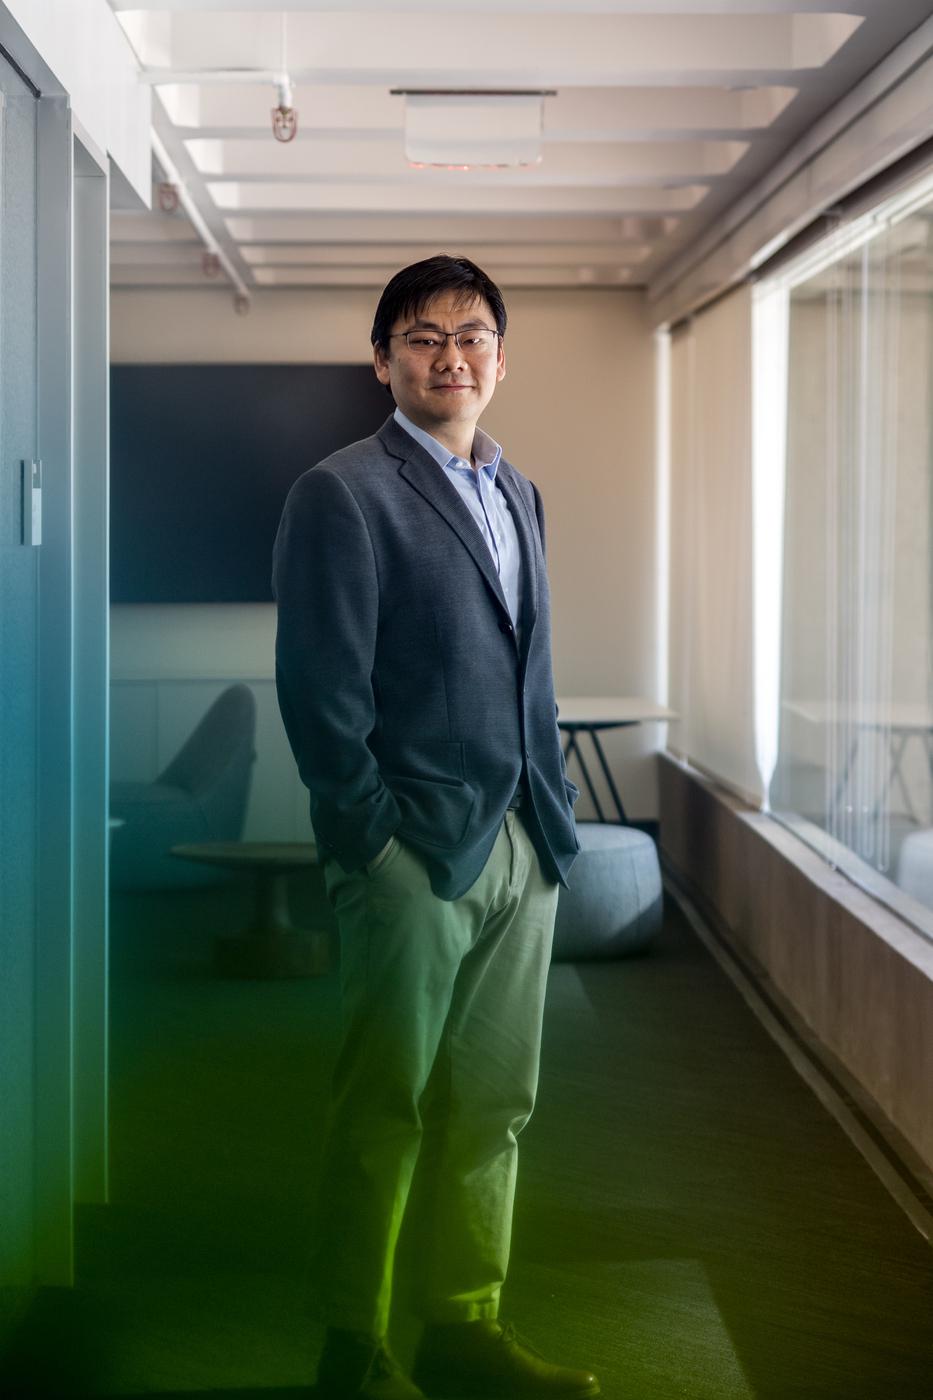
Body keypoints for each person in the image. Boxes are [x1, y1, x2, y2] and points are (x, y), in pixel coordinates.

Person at [273, 255, 597, 1400]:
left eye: (471, 335)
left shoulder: (520, 493)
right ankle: (350, 1343)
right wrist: (370, 842)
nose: (449, 353)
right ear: (382, 358)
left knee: (495, 1106)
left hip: (520, 845)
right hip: (410, 852)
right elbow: (322, 695)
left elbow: (531, 677)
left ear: (500, 359)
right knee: (386, 1105)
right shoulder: (343, 491)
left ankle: (463, 1325)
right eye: (422, 335)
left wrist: (548, 821)